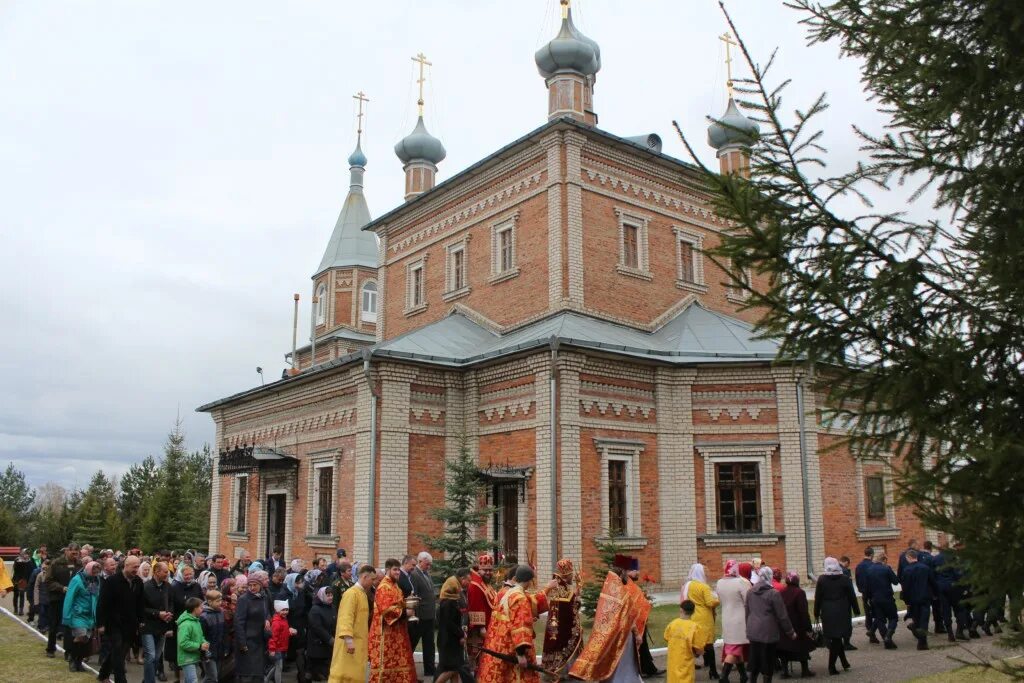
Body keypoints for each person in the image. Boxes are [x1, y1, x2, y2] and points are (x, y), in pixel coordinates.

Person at [571, 562, 651, 683]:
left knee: (612, 660)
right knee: (624, 662)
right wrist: (637, 634)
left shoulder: (608, 589)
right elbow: (629, 617)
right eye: (626, 572)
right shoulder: (622, 593)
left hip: (611, 635)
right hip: (624, 637)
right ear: (622, 573)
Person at [477, 565, 552, 683]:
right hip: (512, 649)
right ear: (529, 581)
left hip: (499, 645)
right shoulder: (520, 598)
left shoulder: (506, 593)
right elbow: (520, 627)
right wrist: (521, 654)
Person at [368, 558, 417, 682]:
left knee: (401, 665)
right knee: (386, 667)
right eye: (395, 570)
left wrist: (408, 604)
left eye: (398, 570)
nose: (397, 573)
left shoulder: (395, 586)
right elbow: (387, 610)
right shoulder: (384, 587)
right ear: (388, 570)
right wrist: (406, 612)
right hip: (385, 636)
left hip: (397, 633)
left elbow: (399, 603)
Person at [96, 555, 144, 683]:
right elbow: (102, 603)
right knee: (117, 649)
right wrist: (100, 624)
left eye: (138, 566)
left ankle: (103, 674)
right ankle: (121, 680)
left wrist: (141, 621)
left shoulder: (138, 582)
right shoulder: (112, 581)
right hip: (113, 623)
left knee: (119, 653)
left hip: (130, 624)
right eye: (134, 567)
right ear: (126, 566)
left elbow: (140, 603)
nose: (136, 569)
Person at [745, 566, 796, 683]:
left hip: (753, 629)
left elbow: (747, 611)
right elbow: (782, 615)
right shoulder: (773, 593)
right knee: (767, 661)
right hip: (768, 631)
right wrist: (790, 632)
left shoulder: (750, 591)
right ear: (770, 577)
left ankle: (751, 679)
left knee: (754, 659)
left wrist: (748, 627)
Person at [329, 564, 375, 683]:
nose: (373, 583)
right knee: (344, 673)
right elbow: (346, 617)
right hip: (349, 644)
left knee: (356, 674)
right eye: (372, 579)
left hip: (359, 643)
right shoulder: (351, 594)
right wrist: (349, 641)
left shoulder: (362, 594)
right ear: (364, 577)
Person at [814, 557, 859, 674]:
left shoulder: (822, 579)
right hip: (842, 611)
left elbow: (817, 598)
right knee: (837, 638)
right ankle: (831, 667)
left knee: (836, 638)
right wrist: (856, 609)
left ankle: (844, 662)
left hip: (827, 612)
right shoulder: (844, 579)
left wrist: (816, 612)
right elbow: (852, 596)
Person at [542, 558, 583, 676]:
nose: (572, 577)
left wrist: (576, 595)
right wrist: (577, 596)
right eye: (571, 575)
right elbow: (569, 610)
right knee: (561, 647)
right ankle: (561, 671)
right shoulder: (562, 589)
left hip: (555, 627)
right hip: (561, 629)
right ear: (566, 575)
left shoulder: (559, 586)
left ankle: (556, 670)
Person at [681, 563, 720, 680]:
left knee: (693, 643)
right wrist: (717, 599)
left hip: (692, 616)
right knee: (708, 644)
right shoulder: (704, 587)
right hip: (704, 618)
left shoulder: (688, 585)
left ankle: (685, 669)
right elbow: (709, 602)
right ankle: (713, 671)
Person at [436, 570, 474, 683]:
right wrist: (461, 634)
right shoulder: (449, 603)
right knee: (452, 669)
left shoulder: (447, 602)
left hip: (450, 639)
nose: (459, 588)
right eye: (468, 580)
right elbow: (450, 623)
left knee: (455, 670)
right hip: (449, 641)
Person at [44, 542, 81, 658]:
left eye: (77, 553)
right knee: (54, 624)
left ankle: (68, 652)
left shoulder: (79, 564)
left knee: (69, 625)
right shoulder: (56, 563)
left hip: (72, 600)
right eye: (73, 553)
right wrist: (62, 588)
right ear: (67, 551)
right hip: (57, 598)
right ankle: (50, 648)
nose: (75, 556)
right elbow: (48, 581)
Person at [63, 560, 101, 673]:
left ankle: (79, 662)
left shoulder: (95, 581)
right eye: (93, 571)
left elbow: (95, 597)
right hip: (77, 614)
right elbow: (69, 598)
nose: (95, 574)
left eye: (97, 572)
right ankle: (72, 659)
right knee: (81, 636)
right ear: (88, 569)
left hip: (89, 616)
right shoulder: (77, 580)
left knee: (85, 640)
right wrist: (67, 616)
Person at [717, 559, 751, 683]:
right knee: (734, 648)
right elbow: (748, 599)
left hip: (726, 617)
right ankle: (724, 677)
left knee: (735, 645)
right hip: (740, 618)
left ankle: (743, 675)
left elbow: (720, 598)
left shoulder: (720, 582)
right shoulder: (740, 582)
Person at [775, 572, 815, 679]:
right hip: (798, 625)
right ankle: (805, 670)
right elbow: (803, 611)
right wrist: (808, 627)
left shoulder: (781, 592)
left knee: (784, 648)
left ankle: (785, 671)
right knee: (802, 647)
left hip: (784, 625)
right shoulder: (799, 592)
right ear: (797, 580)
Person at [169, 565, 204, 682]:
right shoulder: (175, 586)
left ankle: (186, 676)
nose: (189, 577)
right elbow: (172, 604)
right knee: (178, 649)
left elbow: (201, 600)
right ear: (181, 575)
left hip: (194, 619)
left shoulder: (196, 585)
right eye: (186, 575)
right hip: (179, 620)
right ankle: (177, 676)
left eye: (190, 574)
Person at [235, 571, 271, 683]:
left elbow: (267, 613)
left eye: (254, 585)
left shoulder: (263, 597)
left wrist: (267, 620)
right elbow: (238, 623)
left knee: (258, 673)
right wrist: (242, 643)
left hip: (260, 640)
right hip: (248, 642)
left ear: (260, 585)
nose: (251, 588)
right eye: (249, 585)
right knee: (248, 674)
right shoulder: (244, 599)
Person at [142, 561, 174, 683]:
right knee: (150, 656)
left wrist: (169, 614)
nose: (167, 574)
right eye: (165, 572)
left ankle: (146, 680)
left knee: (156, 657)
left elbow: (171, 603)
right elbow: (141, 607)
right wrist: (157, 613)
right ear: (156, 571)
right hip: (148, 626)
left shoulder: (168, 587)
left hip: (162, 626)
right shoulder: (145, 587)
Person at [665, 600, 710, 683]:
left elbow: (666, 637)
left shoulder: (672, 624)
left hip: (672, 663)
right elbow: (699, 647)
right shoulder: (695, 627)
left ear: (681, 610)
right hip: (686, 663)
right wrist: (698, 653)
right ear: (693, 612)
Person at [408, 551, 437, 680]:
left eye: (430, 565)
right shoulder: (414, 575)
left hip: (429, 616)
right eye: (427, 564)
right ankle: (407, 667)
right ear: (420, 562)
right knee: (413, 642)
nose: (428, 567)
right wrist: (416, 615)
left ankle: (430, 669)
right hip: (420, 617)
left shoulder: (426, 574)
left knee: (429, 644)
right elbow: (414, 597)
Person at [466, 554, 497, 674]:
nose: (488, 572)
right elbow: (475, 607)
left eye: (490, 570)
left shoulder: (484, 582)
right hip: (479, 631)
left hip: (488, 625)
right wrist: (481, 628)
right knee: (478, 657)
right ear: (479, 569)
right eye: (485, 570)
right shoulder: (475, 585)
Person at [900, 549, 936, 650]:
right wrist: (935, 594)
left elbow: (905, 587)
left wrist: (906, 601)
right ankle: (922, 642)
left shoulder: (906, 570)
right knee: (924, 620)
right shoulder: (925, 568)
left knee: (917, 619)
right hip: (925, 597)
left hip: (913, 599)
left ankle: (917, 633)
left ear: (908, 557)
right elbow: (932, 582)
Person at [176, 597, 209, 683]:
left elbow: (200, 636)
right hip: (187, 659)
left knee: (189, 680)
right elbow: (183, 643)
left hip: (194, 657)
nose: (203, 609)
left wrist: (204, 642)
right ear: (195, 609)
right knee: (193, 681)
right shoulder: (186, 624)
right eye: (201, 607)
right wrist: (199, 646)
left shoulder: (196, 621)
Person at [285, 572, 309, 683]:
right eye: (297, 582)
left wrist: (304, 625)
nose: (300, 585)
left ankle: (302, 676)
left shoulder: (300, 593)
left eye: (301, 582)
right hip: (287, 627)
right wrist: (288, 627)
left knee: (300, 651)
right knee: (286, 652)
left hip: (299, 627)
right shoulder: (284, 594)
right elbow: (282, 613)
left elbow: (303, 609)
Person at [308, 587, 336, 681]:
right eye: (328, 595)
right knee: (319, 674)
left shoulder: (332, 607)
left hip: (329, 645)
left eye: (331, 595)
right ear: (322, 596)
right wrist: (329, 639)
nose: (331, 597)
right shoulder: (315, 609)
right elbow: (317, 627)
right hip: (318, 645)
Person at [199, 590, 226, 683]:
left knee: (212, 676)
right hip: (208, 652)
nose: (220, 603)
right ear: (210, 602)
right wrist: (204, 651)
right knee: (213, 677)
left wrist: (225, 647)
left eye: (220, 600)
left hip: (219, 650)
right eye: (217, 601)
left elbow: (223, 632)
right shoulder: (203, 616)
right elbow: (201, 636)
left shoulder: (221, 612)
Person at [267, 600, 297, 683]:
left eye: (286, 609)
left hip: (282, 648)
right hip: (277, 649)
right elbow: (273, 637)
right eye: (283, 610)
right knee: (279, 667)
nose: (285, 612)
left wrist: (290, 632)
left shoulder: (284, 620)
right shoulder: (276, 622)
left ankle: (266, 679)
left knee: (277, 666)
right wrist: (272, 649)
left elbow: (283, 633)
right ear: (277, 610)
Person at [853, 547, 877, 644]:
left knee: (868, 614)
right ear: (871, 555)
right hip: (873, 593)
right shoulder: (873, 565)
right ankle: (873, 632)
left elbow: (857, 579)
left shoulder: (859, 566)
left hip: (864, 593)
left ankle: (871, 633)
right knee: (877, 613)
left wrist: (861, 589)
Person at [13, 548, 34, 616]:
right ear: (22, 554)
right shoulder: (17, 560)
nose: (26, 555)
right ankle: (15, 609)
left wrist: (28, 580)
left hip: (24, 580)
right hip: (16, 579)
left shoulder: (29, 561)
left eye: (27, 554)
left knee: (22, 594)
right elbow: (15, 570)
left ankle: (21, 610)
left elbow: (31, 571)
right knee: (16, 594)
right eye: (25, 553)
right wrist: (17, 581)